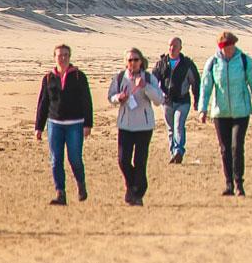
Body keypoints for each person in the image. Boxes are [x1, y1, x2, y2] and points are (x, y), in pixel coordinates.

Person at [199, 31, 252, 197]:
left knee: (237, 146)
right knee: (225, 149)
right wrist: (202, 109)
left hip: (241, 111)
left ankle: (239, 183)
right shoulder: (213, 62)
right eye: (224, 46)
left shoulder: (244, 60)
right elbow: (206, 87)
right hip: (220, 112)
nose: (228, 49)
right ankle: (229, 184)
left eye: (230, 46)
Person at [36, 44, 94, 205]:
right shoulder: (48, 78)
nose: (63, 58)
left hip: (75, 124)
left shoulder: (78, 76)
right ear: (54, 57)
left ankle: (81, 184)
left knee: (74, 158)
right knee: (56, 159)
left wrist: (88, 124)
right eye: (60, 55)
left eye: (66, 55)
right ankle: (60, 193)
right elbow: (43, 102)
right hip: (54, 123)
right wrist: (38, 127)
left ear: (70, 57)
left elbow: (86, 101)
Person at [108, 48, 165, 206]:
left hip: (144, 126)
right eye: (130, 60)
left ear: (141, 61)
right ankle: (132, 186)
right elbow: (111, 96)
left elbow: (159, 99)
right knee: (123, 160)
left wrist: (146, 87)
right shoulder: (120, 77)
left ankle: (138, 192)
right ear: (126, 63)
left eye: (136, 60)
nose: (133, 63)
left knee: (140, 161)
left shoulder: (148, 77)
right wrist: (118, 98)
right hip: (125, 125)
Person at [150, 37, 198, 164]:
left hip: (182, 101)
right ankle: (173, 153)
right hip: (167, 102)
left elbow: (195, 82)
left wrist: (197, 100)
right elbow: (153, 81)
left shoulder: (187, 64)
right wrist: (158, 95)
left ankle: (179, 151)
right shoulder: (162, 63)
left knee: (178, 125)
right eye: (170, 45)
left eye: (175, 46)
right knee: (171, 129)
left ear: (180, 48)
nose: (172, 48)